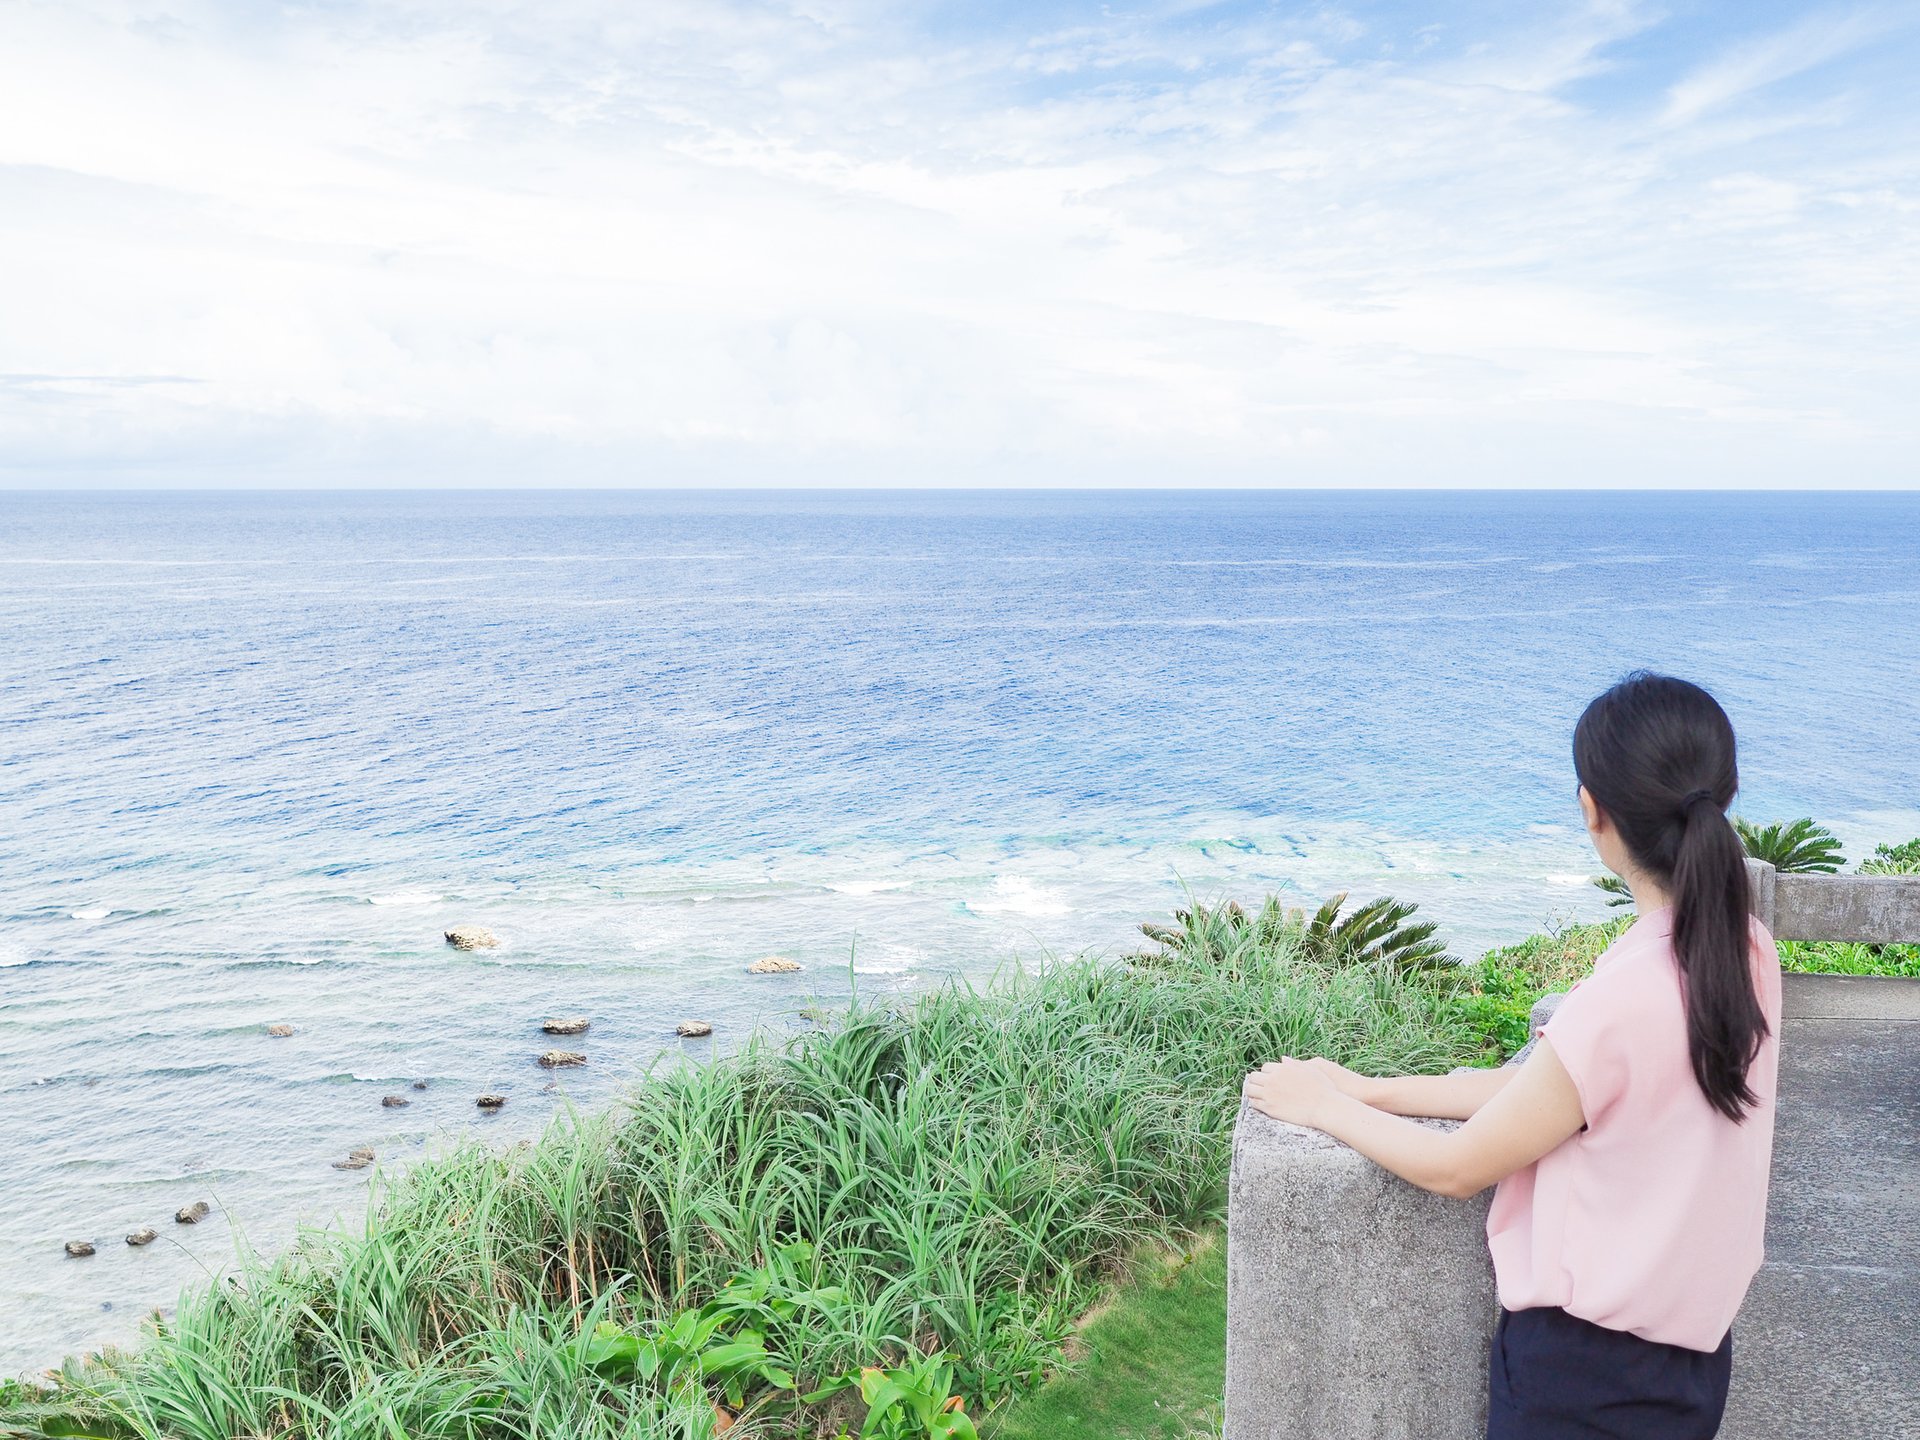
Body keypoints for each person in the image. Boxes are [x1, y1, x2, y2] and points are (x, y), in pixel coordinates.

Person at [1243, 672, 1781, 1440]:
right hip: (1693, 1365)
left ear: (1593, 811)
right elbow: (1554, 1092)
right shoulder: (1743, 948)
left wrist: (1325, 1107)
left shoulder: (1626, 995)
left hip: (1583, 1376)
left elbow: (1458, 1168)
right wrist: (1376, 1090)